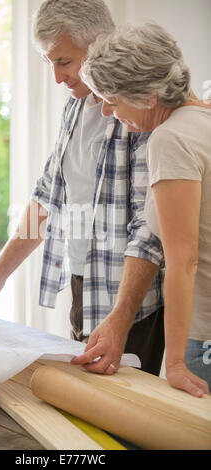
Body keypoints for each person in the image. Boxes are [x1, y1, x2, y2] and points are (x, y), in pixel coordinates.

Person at [0, 0, 165, 377]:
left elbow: (149, 227)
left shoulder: (139, 107)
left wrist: (120, 318)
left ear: (99, 43)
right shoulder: (75, 105)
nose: (57, 78)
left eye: (64, 62)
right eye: (48, 63)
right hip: (83, 282)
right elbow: (46, 198)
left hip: (130, 301)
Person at [79, 21, 211, 396]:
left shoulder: (170, 139)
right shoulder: (203, 119)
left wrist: (175, 364)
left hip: (204, 340)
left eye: (112, 98)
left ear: (149, 96)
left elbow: (183, 259)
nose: (106, 111)